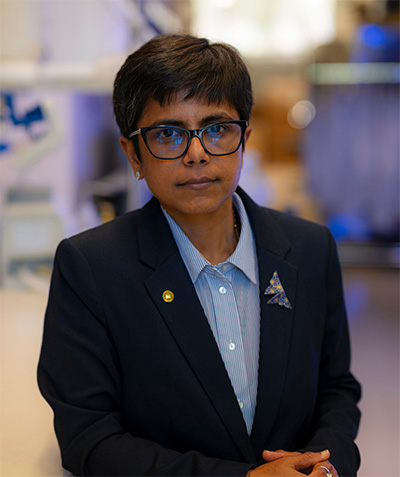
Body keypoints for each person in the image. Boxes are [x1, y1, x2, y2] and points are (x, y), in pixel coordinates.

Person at [38, 34, 361, 477]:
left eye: (216, 129)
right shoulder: (90, 268)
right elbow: (88, 442)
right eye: (168, 134)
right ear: (133, 153)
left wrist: (324, 469)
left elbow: (337, 391)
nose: (196, 154)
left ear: (245, 138)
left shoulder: (309, 248)